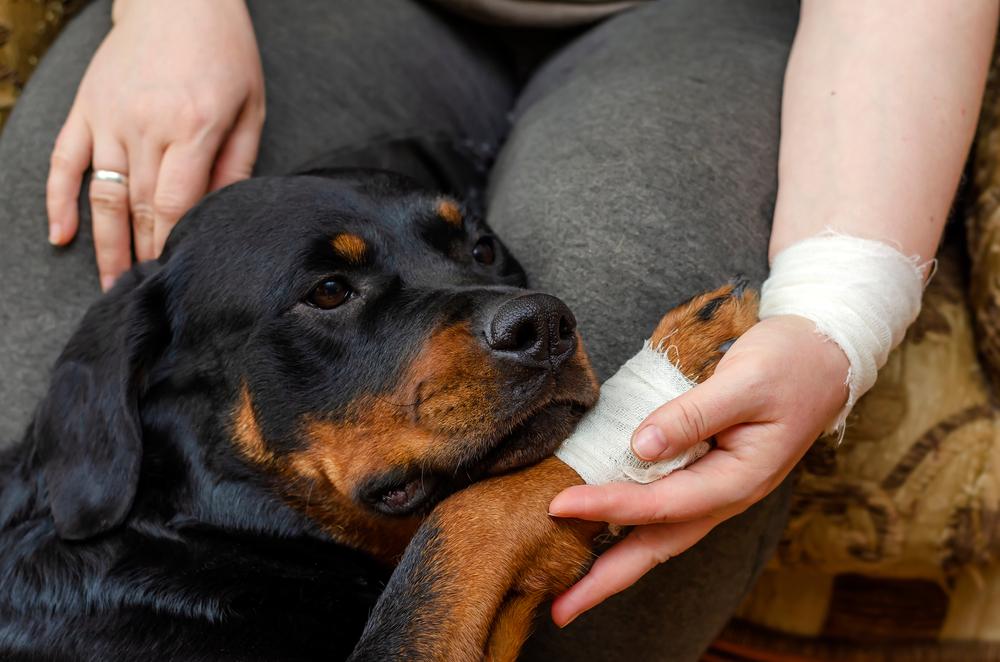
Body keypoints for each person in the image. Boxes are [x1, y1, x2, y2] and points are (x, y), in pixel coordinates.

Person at [0, 0, 994, 659]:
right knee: (44, 377)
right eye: (335, 296)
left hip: (703, 17)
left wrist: (835, 312)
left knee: (603, 567)